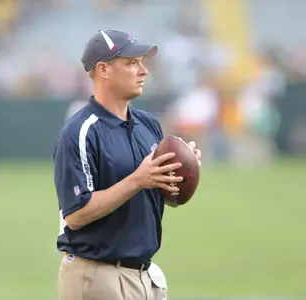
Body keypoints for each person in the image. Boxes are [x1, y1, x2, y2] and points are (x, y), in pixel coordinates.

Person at [52, 29, 202, 300]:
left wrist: (181, 172)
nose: (143, 70)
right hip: (97, 276)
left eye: (142, 62)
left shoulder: (149, 124)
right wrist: (138, 180)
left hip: (146, 276)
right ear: (103, 70)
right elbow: (75, 215)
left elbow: (166, 198)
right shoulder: (80, 131)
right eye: (132, 63)